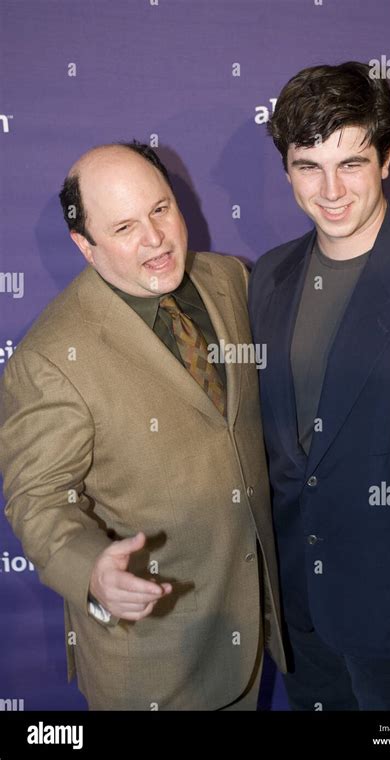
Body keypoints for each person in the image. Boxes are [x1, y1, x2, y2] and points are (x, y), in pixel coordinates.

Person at [0, 141, 285, 710]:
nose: (155, 239)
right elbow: (37, 497)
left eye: (160, 209)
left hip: (253, 625)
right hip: (155, 662)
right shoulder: (51, 357)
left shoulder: (228, 279)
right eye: (125, 226)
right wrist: (91, 572)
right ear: (86, 246)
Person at [248, 62, 390, 711]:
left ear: (385, 159)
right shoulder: (270, 276)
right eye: (308, 165)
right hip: (298, 609)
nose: (330, 188)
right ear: (287, 169)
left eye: (350, 162)